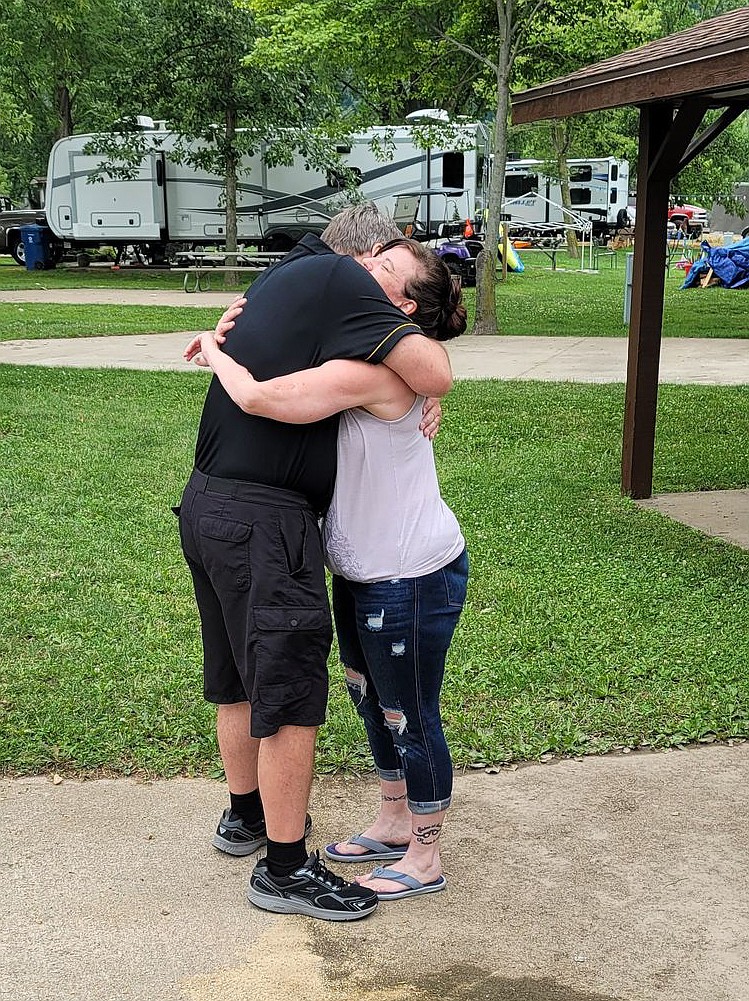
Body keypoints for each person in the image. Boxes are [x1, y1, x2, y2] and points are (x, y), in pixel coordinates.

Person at [177, 204, 455, 921]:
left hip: (208, 504)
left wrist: (217, 340)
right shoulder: (340, 276)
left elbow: (423, 367)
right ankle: (285, 867)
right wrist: (219, 348)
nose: (378, 278)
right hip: (264, 524)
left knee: (237, 679)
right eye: (384, 260)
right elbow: (430, 364)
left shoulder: (294, 272)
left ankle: (245, 815)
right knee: (292, 698)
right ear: (361, 259)